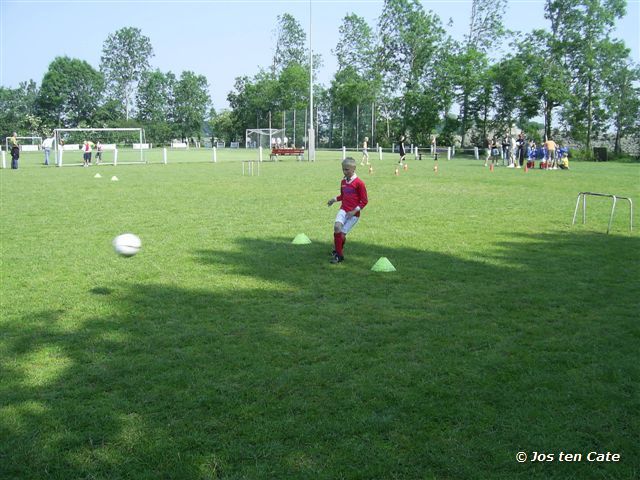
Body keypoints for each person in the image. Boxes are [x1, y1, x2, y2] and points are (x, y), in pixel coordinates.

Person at [327, 157, 368, 264]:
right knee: (337, 227)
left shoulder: (359, 183)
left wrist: (354, 211)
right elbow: (343, 196)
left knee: (341, 236)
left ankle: (338, 249)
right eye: (343, 169)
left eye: (347, 170)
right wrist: (334, 199)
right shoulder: (343, 182)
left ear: (353, 169)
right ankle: (339, 256)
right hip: (343, 210)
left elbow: (364, 201)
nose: (344, 172)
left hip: (354, 214)